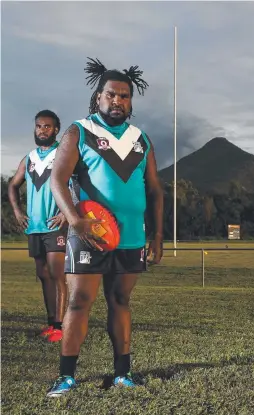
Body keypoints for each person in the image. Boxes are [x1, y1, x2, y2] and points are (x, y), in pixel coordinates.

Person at [46, 58, 163, 397]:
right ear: (98, 97)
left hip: (131, 235)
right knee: (80, 301)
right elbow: (58, 179)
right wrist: (75, 220)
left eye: (125, 96)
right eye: (111, 95)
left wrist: (157, 235)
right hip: (89, 233)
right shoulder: (79, 131)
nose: (118, 101)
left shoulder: (141, 139)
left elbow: (155, 189)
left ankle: (122, 373)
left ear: (131, 102)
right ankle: (66, 376)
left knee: (120, 300)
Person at [8, 110, 68, 343]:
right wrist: (17, 211)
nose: (42, 130)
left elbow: (81, 184)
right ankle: (51, 322)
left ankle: (61, 326)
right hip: (35, 227)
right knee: (43, 275)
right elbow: (13, 186)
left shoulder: (63, 155)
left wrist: (66, 211)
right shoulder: (30, 157)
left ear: (56, 130)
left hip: (55, 226)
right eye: (39, 126)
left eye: (47, 127)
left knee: (57, 275)